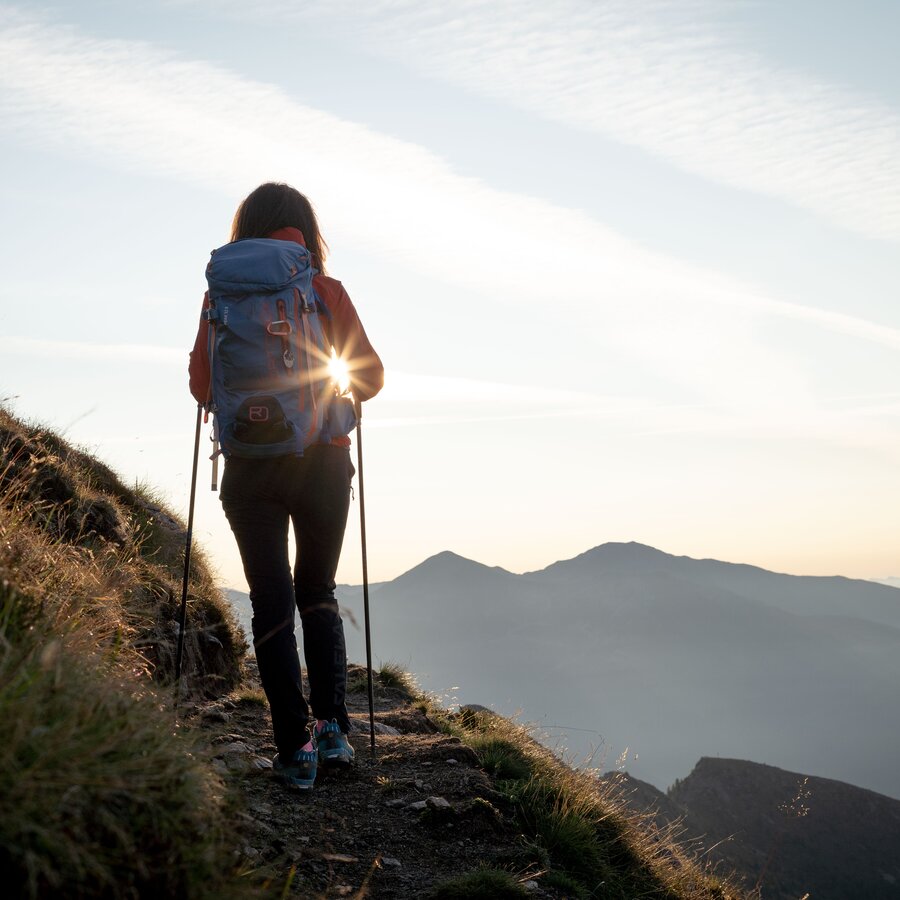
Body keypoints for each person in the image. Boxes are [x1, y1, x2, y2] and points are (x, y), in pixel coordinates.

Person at [189, 182, 384, 788]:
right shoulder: (324, 290)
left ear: (245, 229)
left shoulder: (220, 296)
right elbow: (371, 377)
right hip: (322, 462)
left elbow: (201, 384)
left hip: (250, 469)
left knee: (270, 602)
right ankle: (332, 733)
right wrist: (337, 392)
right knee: (317, 593)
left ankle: (294, 749)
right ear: (306, 233)